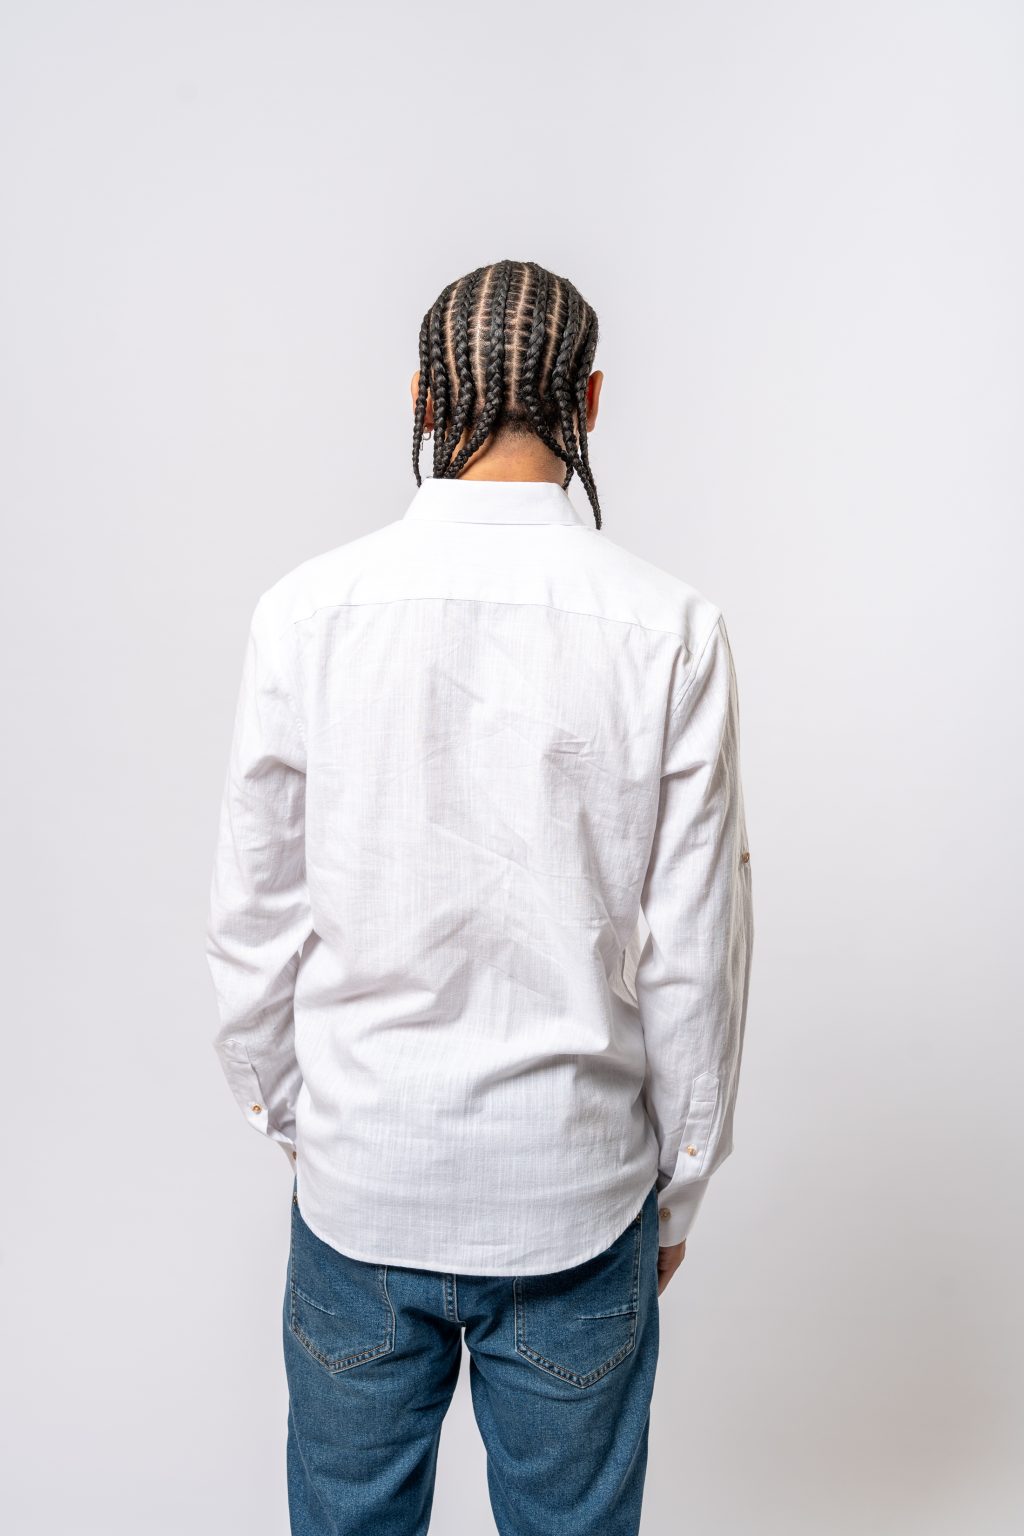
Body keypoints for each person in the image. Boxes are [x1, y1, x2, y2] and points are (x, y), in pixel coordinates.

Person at [205, 258, 755, 1536]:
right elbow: (695, 954)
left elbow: (251, 923)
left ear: (420, 397)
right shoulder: (670, 628)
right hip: (575, 1198)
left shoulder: (306, 613)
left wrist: (308, 1125)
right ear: (591, 402)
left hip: (361, 1186)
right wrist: (676, 1189)